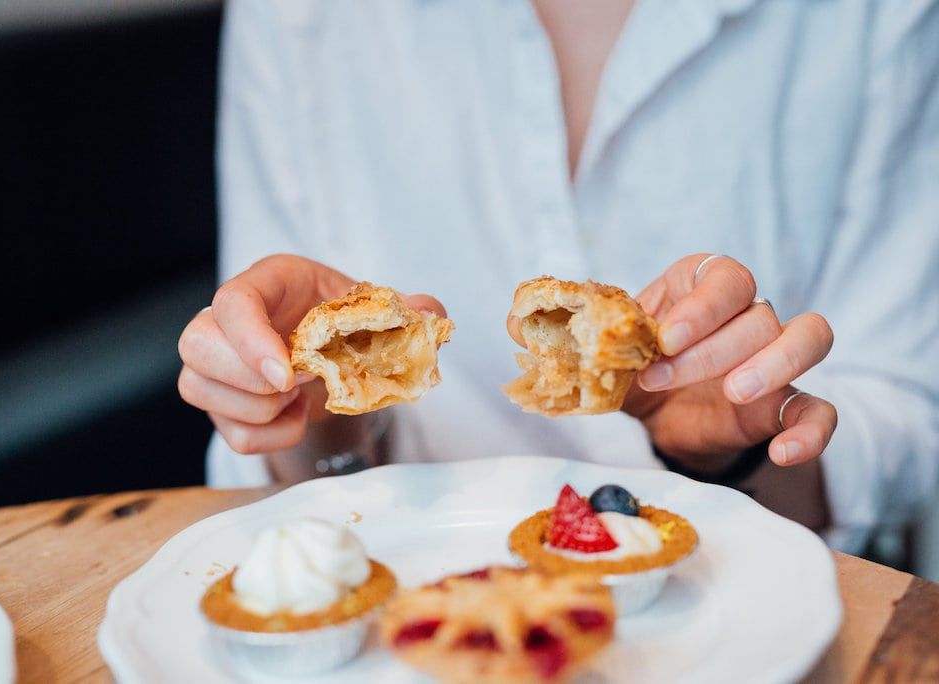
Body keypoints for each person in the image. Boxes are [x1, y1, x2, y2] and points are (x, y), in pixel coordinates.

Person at [178, 0, 939, 553]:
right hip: (398, 585)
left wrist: (728, 452)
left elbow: (903, 420)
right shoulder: (297, 17)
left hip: (728, 609)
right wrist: (314, 410)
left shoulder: (869, 16)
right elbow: (292, 442)